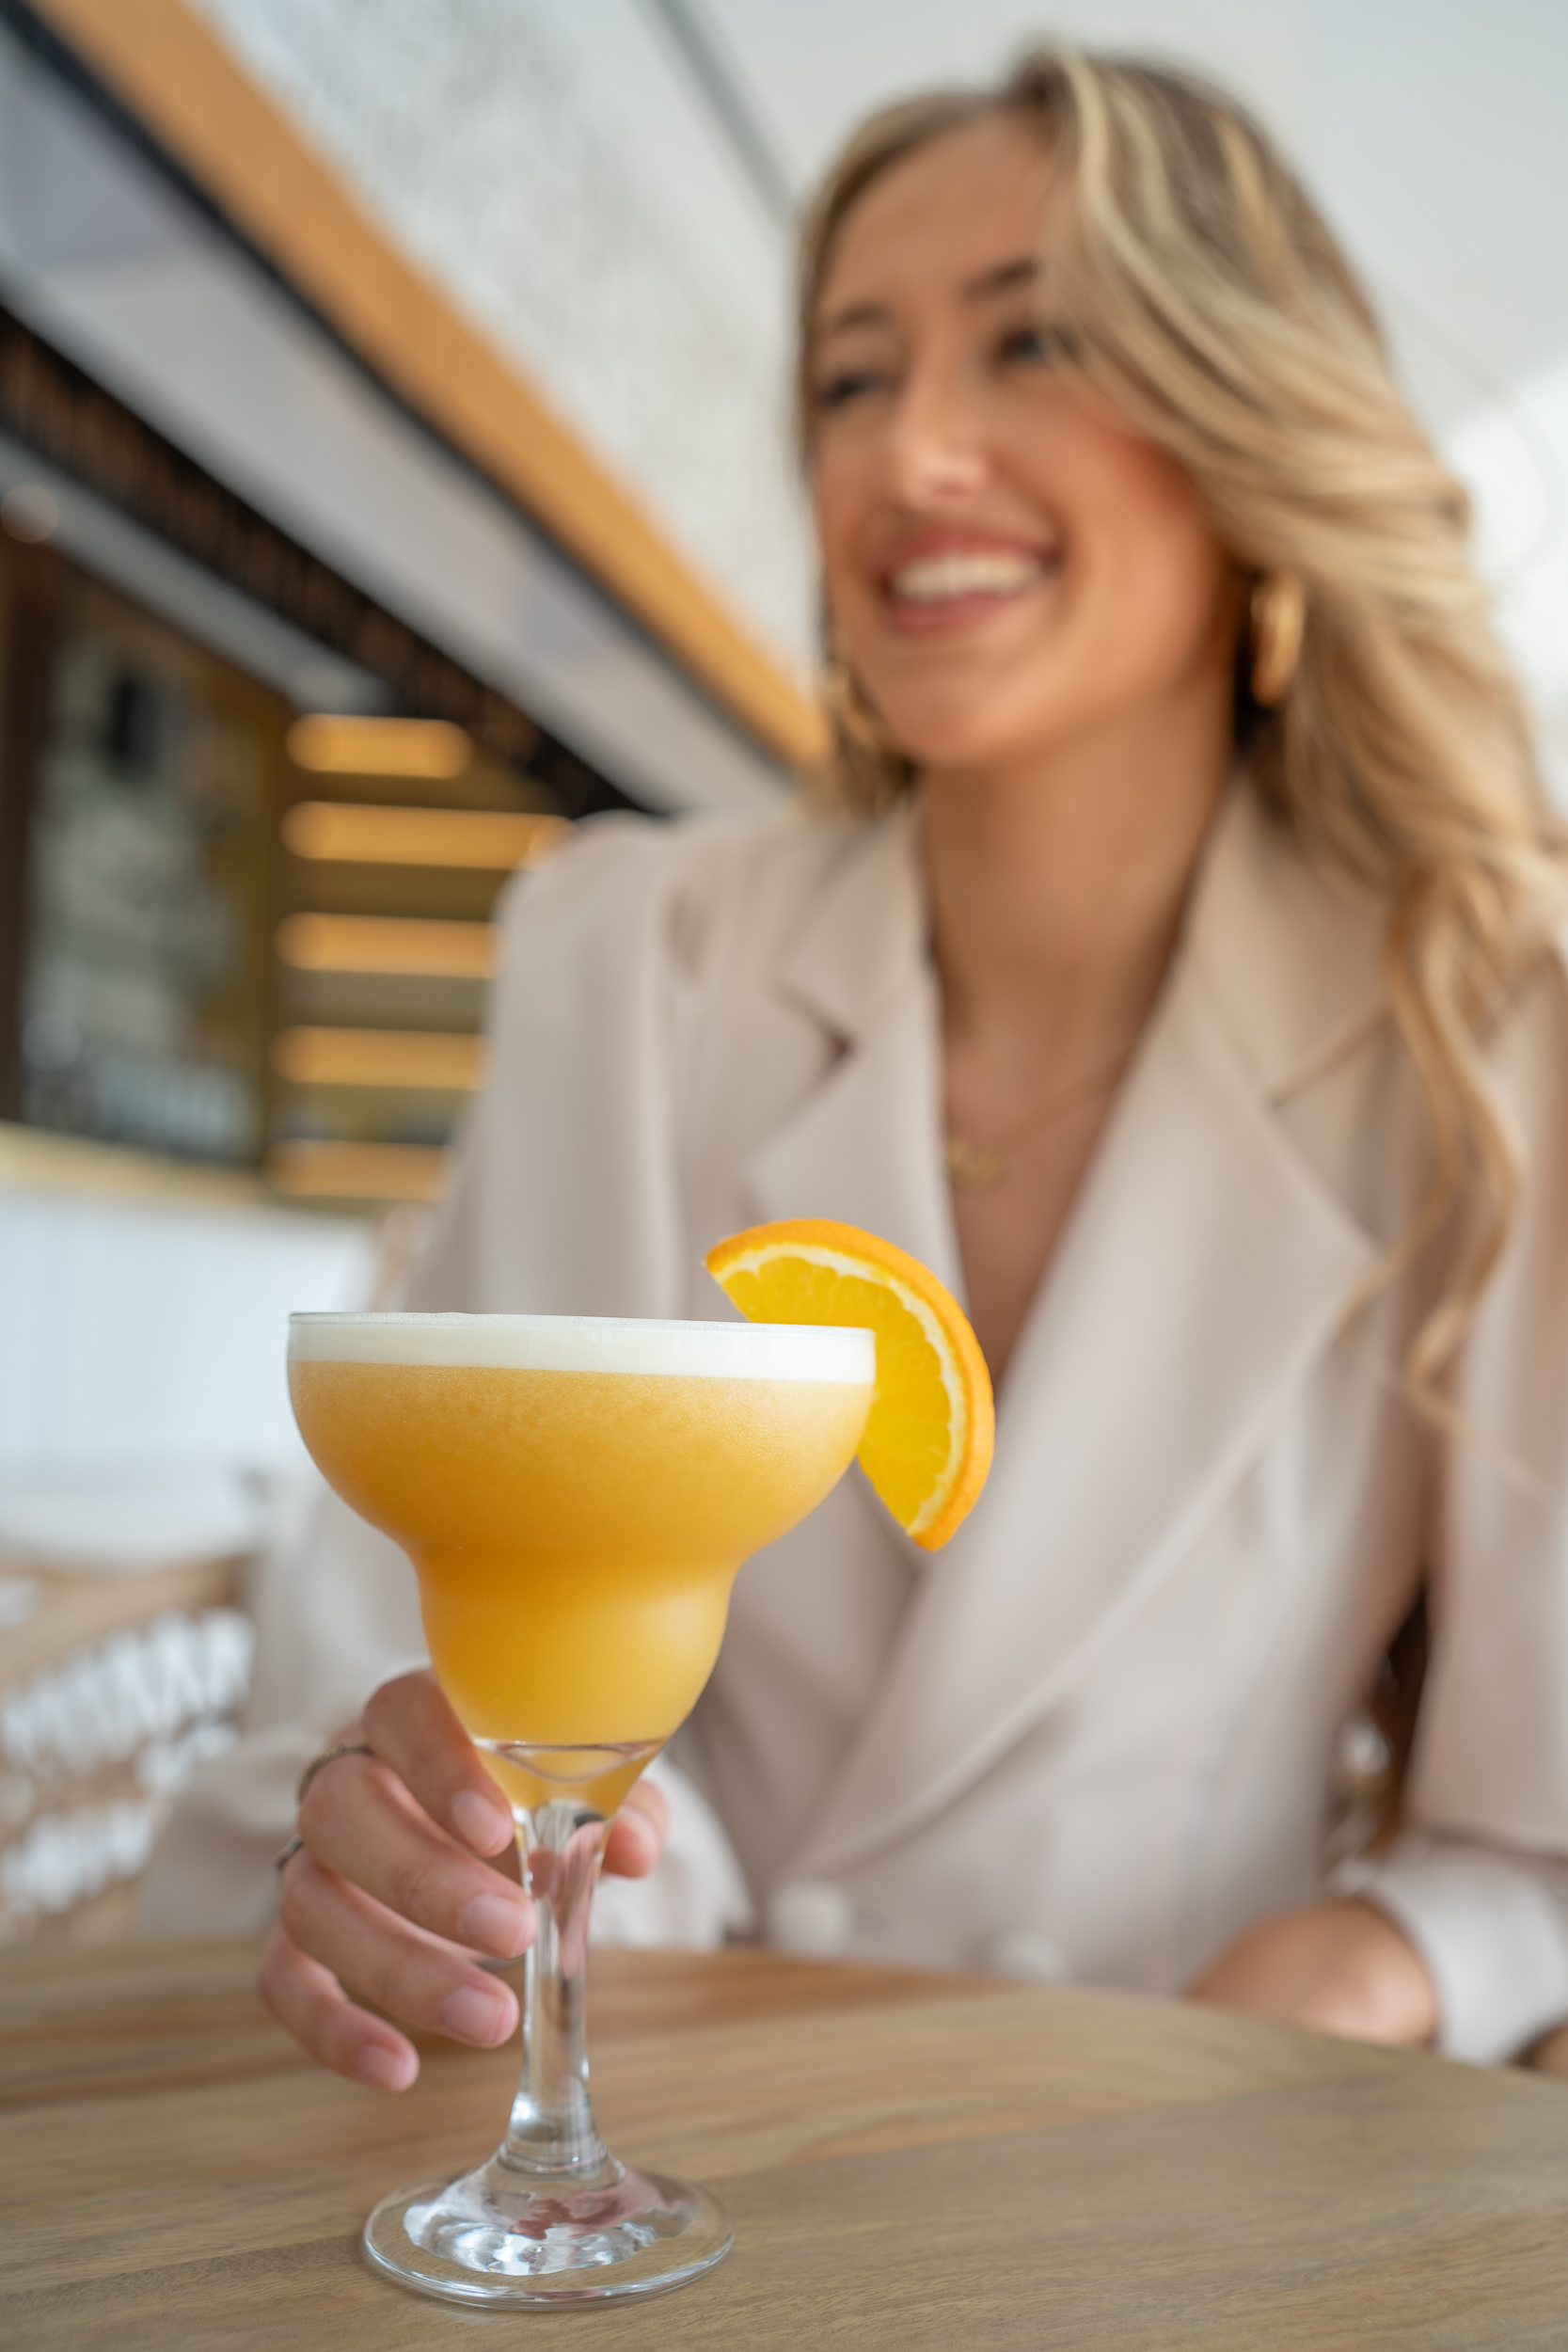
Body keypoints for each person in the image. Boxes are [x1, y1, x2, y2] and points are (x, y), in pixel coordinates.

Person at [145, 42, 1568, 2094]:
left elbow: (1532, 1838)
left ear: (1250, 426)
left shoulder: (1477, 1019)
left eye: (1034, 343)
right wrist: (416, 1850)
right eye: (849, 379)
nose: (911, 452)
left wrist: (1368, 1963)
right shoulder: (636, 955)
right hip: (656, 2126)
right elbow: (398, 1644)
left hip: (1156, 2163)